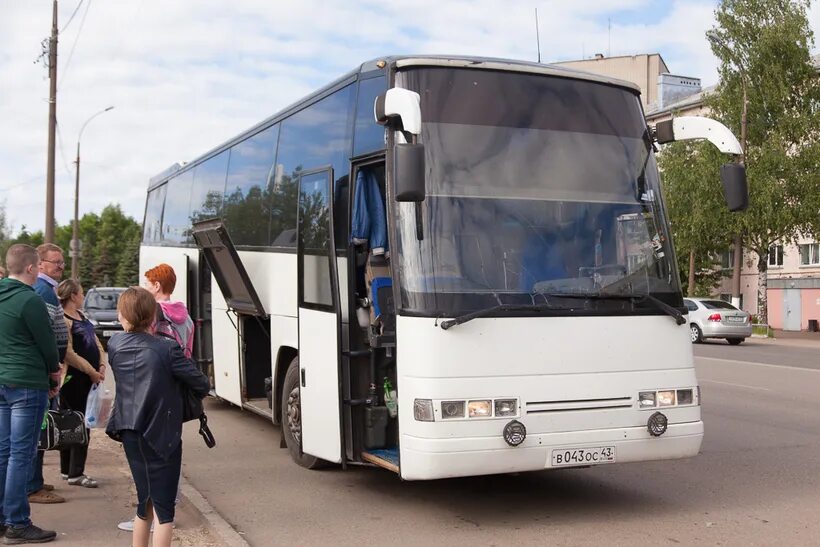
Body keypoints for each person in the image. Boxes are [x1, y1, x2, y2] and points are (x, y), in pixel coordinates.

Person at [106, 288, 209, 547]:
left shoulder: (115, 345)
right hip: (162, 434)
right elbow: (202, 384)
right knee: (165, 511)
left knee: (144, 502)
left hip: (129, 430)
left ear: (123, 316)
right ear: (153, 315)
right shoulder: (167, 349)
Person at [0, 244, 60, 543]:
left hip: (1, 380)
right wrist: (54, 372)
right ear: (29, 268)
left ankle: (2, 519)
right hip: (26, 382)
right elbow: (47, 344)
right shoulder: (29, 299)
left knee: (4, 452)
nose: (38, 272)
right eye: (37, 266)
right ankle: (18, 523)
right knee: (21, 455)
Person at [28, 244, 68, 505]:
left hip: (44, 371)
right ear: (40, 264)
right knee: (36, 431)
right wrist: (54, 369)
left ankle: (36, 480)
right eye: (56, 262)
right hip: (41, 373)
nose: (60, 267)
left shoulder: (46, 289)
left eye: (62, 263)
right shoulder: (42, 291)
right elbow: (45, 334)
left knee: (37, 431)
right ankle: (32, 485)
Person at [56, 279, 106, 488]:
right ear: (73, 295)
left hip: (89, 378)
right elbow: (68, 353)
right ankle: (74, 472)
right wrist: (91, 371)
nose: (83, 297)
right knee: (76, 423)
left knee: (84, 422)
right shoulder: (63, 319)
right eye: (81, 293)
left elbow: (96, 343)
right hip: (74, 379)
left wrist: (102, 365)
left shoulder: (82, 316)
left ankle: (70, 470)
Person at [143, 264, 194, 358]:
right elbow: (188, 351)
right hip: (179, 368)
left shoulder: (152, 312)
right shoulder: (187, 317)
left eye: (146, 284)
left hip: (158, 368)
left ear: (157, 286)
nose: (144, 289)